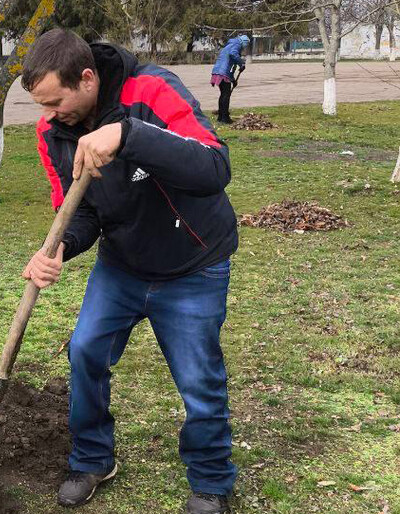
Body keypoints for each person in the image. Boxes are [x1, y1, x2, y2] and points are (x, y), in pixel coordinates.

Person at [21, 29, 239, 514]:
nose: (51, 115)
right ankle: (93, 458)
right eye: (43, 106)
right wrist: (61, 247)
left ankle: (211, 482)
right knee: (85, 351)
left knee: (198, 378)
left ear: (87, 77)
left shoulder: (151, 91)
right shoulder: (50, 131)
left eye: (57, 102)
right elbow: (78, 212)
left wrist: (128, 135)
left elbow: (213, 167)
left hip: (192, 264)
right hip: (121, 266)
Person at [211, 35, 251, 124]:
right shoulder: (236, 44)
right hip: (223, 73)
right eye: (246, 44)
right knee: (226, 95)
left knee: (223, 94)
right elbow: (233, 54)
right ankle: (225, 118)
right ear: (243, 41)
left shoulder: (230, 45)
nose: (245, 46)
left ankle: (221, 117)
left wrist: (233, 80)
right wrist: (241, 63)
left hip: (218, 72)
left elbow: (231, 67)